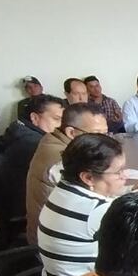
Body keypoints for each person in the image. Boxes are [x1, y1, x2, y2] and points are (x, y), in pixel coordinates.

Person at [37, 133, 138, 276]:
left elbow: (105, 200)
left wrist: (133, 191)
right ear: (88, 177)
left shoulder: (63, 189)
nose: (125, 176)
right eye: (118, 172)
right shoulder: (96, 210)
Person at [25, 103, 110, 243]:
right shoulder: (62, 159)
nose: (104, 141)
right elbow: (94, 201)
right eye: (96, 134)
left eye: (105, 133)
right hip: (56, 243)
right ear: (71, 132)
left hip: (64, 228)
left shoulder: (54, 139)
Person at [1, 94, 64, 219]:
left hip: (19, 202)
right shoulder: (35, 144)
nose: (62, 125)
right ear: (34, 118)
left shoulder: (19, 129)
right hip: (29, 211)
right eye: (57, 119)